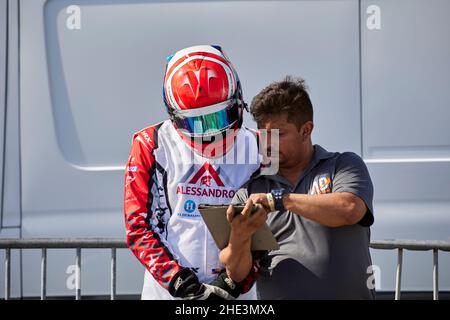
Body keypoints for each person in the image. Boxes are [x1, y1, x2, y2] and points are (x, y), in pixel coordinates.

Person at [123, 45, 262, 300]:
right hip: (168, 293)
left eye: (220, 118)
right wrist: (176, 280)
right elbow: (137, 226)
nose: (211, 133)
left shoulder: (260, 146)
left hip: (235, 294)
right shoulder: (150, 144)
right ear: (174, 116)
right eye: (197, 122)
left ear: (238, 100)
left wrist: (231, 284)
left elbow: (271, 226)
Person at [220, 76, 375, 299]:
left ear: (306, 129)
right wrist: (240, 236)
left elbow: (350, 209)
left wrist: (280, 200)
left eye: (278, 134)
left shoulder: (343, 165)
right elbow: (236, 273)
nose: (268, 144)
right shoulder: (251, 190)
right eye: (264, 135)